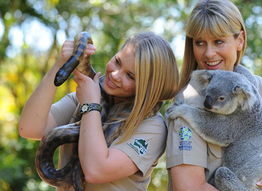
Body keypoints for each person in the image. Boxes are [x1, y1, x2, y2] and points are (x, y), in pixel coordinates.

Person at [19, 32, 179, 190]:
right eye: (117, 61)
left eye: (130, 76)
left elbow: (96, 171)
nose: (115, 74)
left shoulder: (153, 127)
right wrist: (59, 65)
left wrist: (90, 105)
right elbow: (29, 128)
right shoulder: (85, 97)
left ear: (148, 87)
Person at [166, 0, 262, 191]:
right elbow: (189, 187)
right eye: (200, 43)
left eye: (218, 41)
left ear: (240, 40)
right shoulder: (188, 102)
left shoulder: (260, 89)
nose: (209, 53)